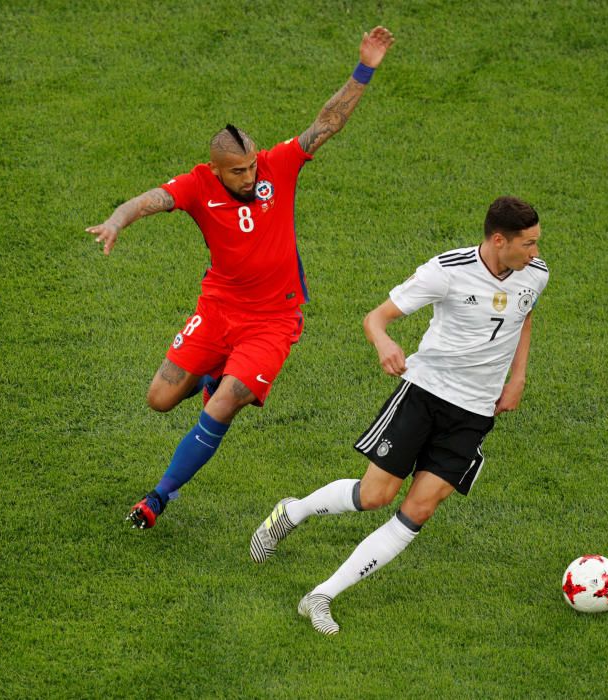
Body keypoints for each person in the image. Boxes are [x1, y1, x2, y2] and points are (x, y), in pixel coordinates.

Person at [86, 27, 395, 530]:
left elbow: (327, 122)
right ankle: (216, 373)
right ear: (216, 170)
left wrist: (366, 67)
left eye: (252, 167)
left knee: (226, 401)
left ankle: (159, 497)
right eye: (238, 172)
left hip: (273, 320)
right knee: (159, 400)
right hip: (218, 309)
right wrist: (117, 221)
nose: (250, 177)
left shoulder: (278, 166)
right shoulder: (196, 185)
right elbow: (147, 200)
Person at [250, 196, 549, 634]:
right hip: (425, 395)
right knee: (375, 496)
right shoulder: (446, 271)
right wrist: (384, 342)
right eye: (529, 244)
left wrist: (518, 378)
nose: (536, 253)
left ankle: (321, 596)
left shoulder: (534, 275)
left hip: (475, 414)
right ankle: (293, 512)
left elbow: (524, 316)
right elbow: (376, 318)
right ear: (499, 240)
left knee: (419, 509)